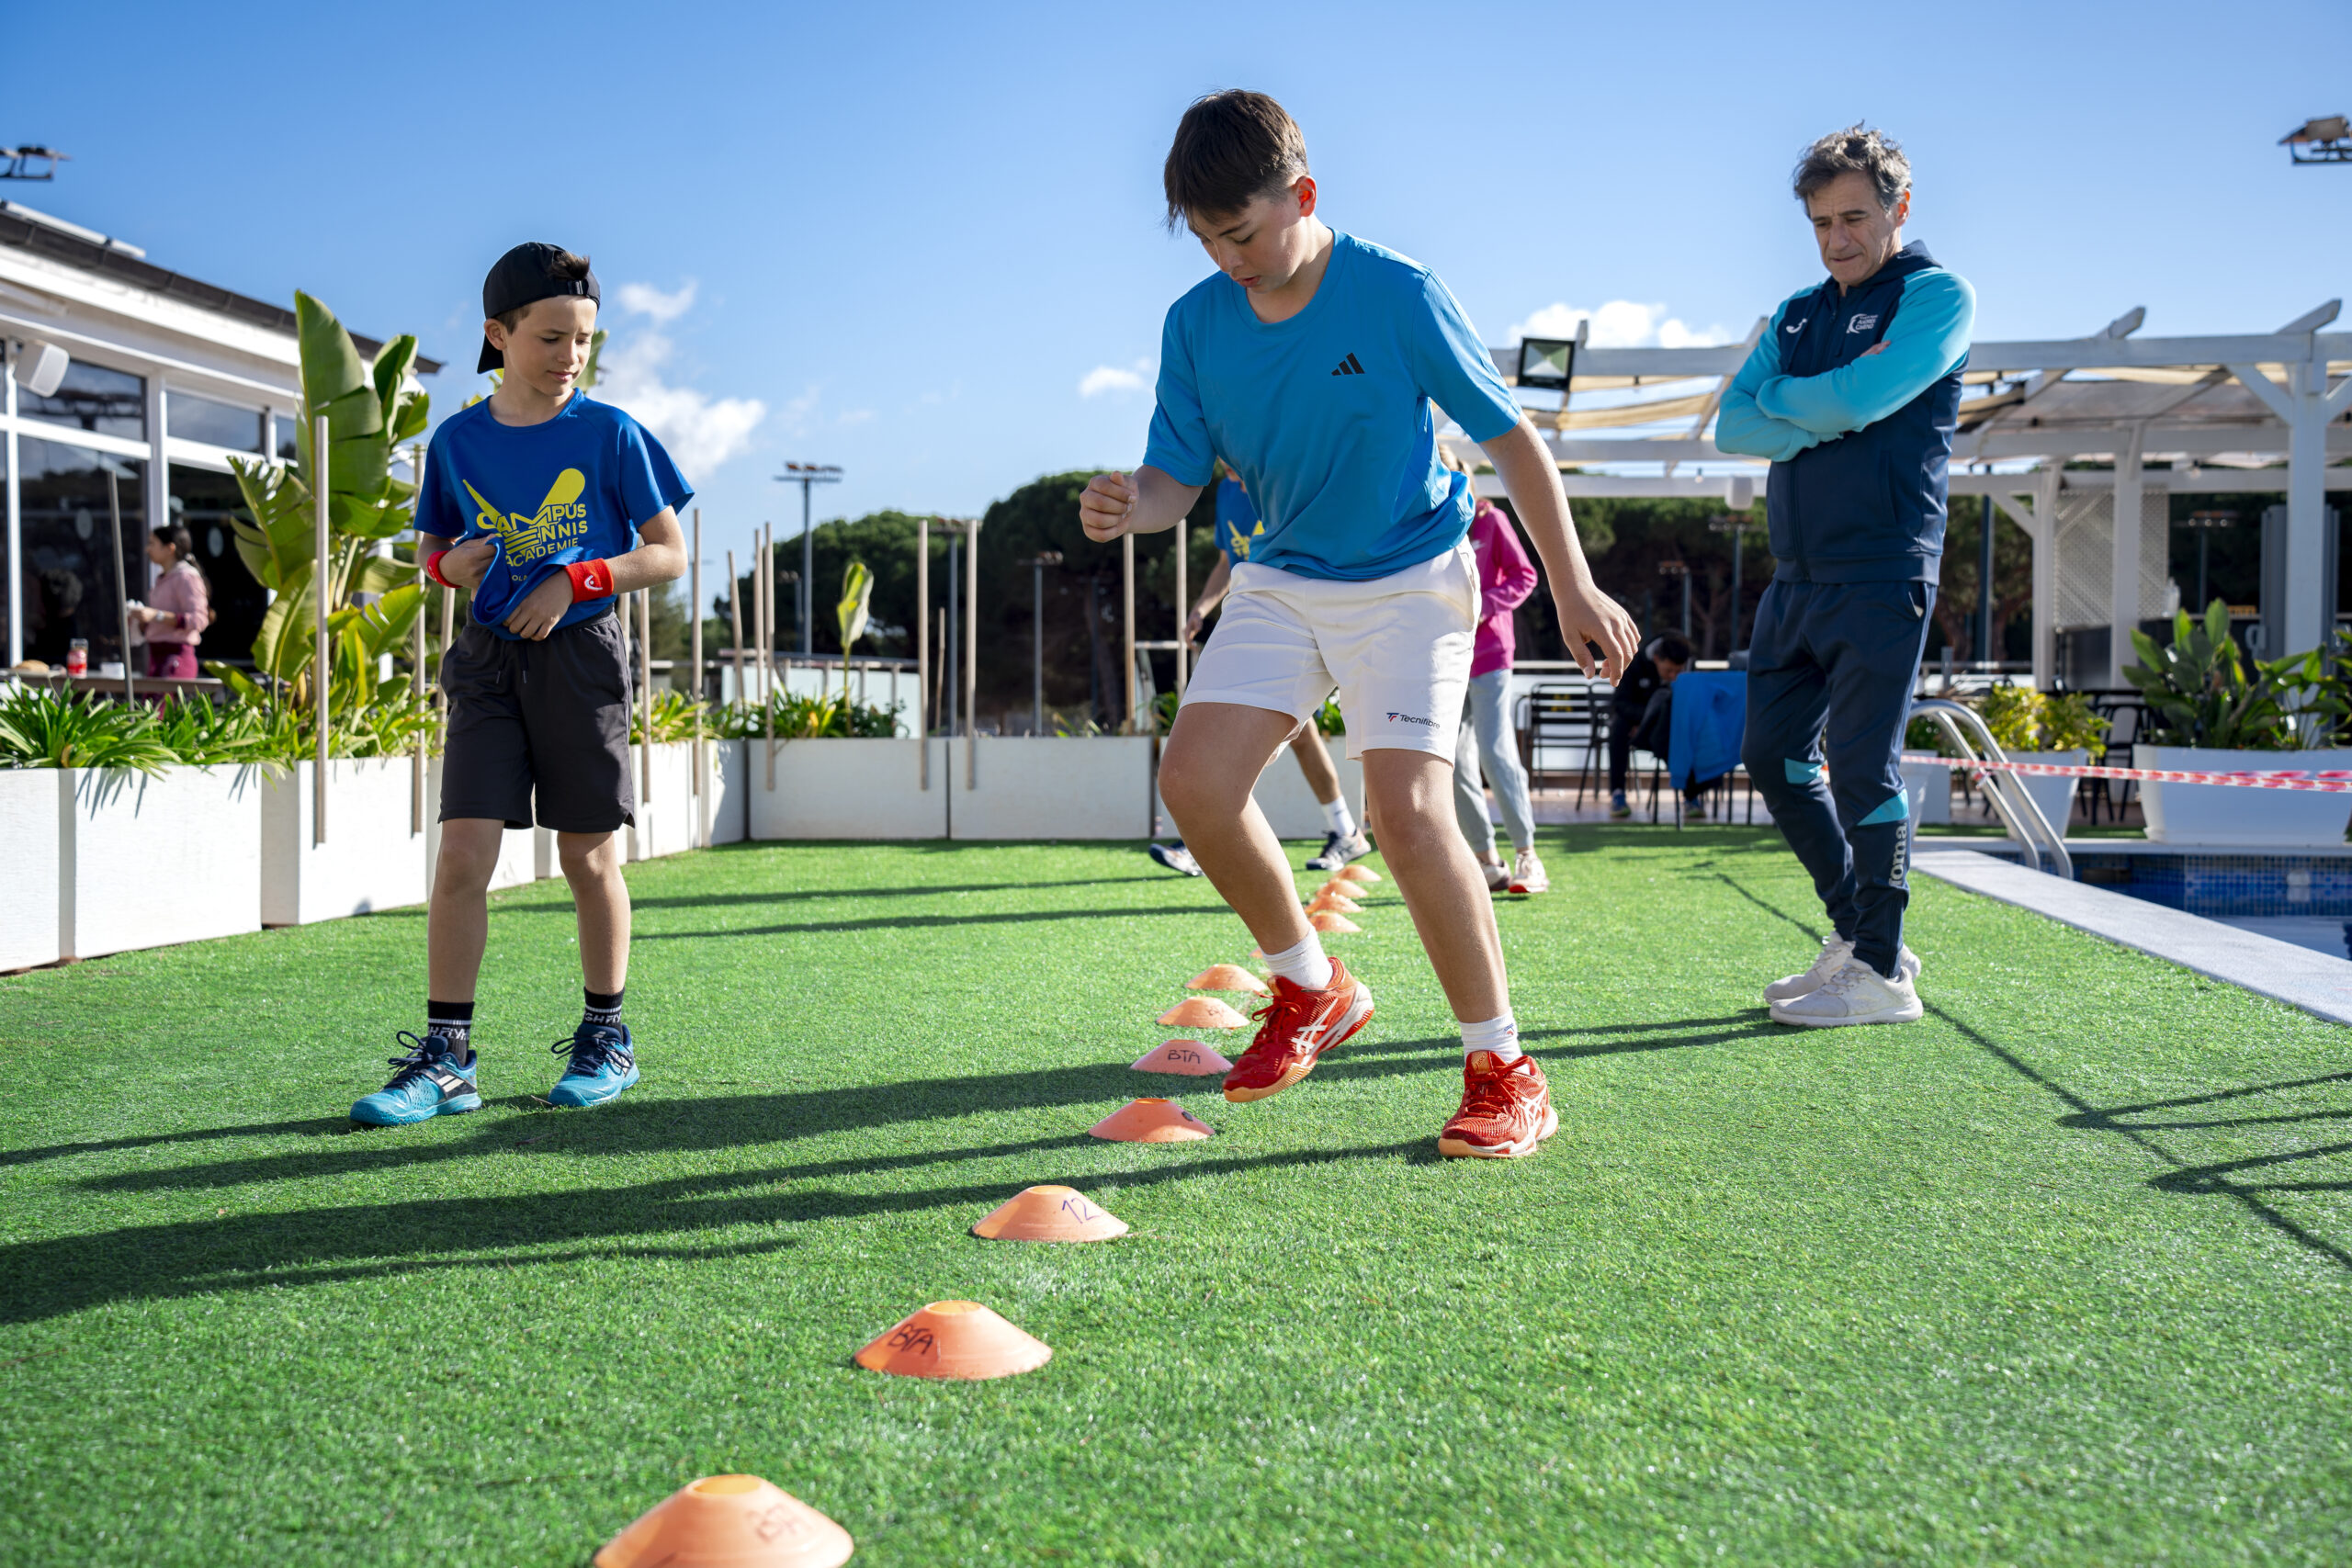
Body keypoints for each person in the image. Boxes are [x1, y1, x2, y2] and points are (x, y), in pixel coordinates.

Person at [1081, 91, 1636, 1158]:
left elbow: (1511, 440)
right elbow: (1173, 480)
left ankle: (1505, 1069)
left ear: (1302, 195)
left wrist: (1573, 588)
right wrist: (1128, 506)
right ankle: (1310, 985)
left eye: (1241, 233)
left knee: (1410, 815)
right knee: (1194, 782)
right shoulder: (1194, 324)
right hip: (1280, 576)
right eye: (1204, 241)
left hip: (1411, 578)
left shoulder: (1397, 292)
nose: (1227, 261)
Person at [351, 243, 691, 1126]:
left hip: (584, 659)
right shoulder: (456, 440)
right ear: (498, 335)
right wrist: (446, 567)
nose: (570, 355)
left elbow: (668, 554)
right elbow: (432, 549)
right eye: (550, 337)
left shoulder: (612, 434)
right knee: (463, 854)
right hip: (487, 663)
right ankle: (448, 1060)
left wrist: (576, 580)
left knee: (587, 856)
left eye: (583, 339)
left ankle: (607, 1038)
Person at [1716, 126, 1971, 1028]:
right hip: (1797, 573)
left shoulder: (1935, 297)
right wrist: (1824, 407)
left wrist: (1798, 403)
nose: (1837, 239)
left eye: (1855, 218)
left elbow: (1860, 399)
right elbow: (1732, 427)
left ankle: (1884, 974)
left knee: (1863, 767)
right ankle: (1859, 934)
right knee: (1773, 758)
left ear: (1899, 209)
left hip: (1882, 568)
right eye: (1822, 223)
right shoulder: (1796, 314)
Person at [1150, 462, 1373, 878]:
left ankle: (1203, 837)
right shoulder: (1227, 492)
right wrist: (1202, 606)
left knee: (1253, 729)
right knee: (1298, 733)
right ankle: (1346, 831)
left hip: (1296, 621)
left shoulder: (1286, 477)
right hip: (1255, 620)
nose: (1230, 471)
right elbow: (1227, 562)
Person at [1443, 471, 1546, 894]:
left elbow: (1525, 576)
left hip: (1490, 655)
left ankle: (1528, 855)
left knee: (1495, 750)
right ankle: (1487, 861)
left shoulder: (1491, 520)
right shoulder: (1424, 523)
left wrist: (1484, 606)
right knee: (1451, 758)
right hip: (1447, 658)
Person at [1606, 637, 1682, 818]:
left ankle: (1690, 794)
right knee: (1618, 729)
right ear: (1656, 659)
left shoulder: (1686, 672)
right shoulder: (1633, 663)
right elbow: (1620, 703)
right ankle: (1618, 793)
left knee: (1684, 734)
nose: (1673, 676)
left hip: (1665, 727)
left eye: (1677, 671)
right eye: (1669, 670)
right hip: (1634, 722)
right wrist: (1643, 721)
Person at [132, 524, 210, 679]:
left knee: (163, 697)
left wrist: (157, 615)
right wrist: (142, 621)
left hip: (176, 661)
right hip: (156, 658)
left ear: (170, 548)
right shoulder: (163, 578)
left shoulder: (186, 577)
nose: (147, 549)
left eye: (152, 543)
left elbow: (199, 619)